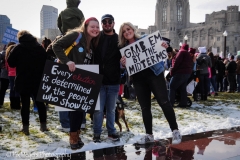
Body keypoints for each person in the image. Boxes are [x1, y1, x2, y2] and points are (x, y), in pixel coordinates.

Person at [119, 22, 181, 145]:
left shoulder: (145, 39)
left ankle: (175, 131)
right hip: (138, 80)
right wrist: (122, 63)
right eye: (124, 31)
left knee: (164, 102)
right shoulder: (123, 49)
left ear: (133, 29)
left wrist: (164, 45)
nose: (127, 32)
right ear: (122, 35)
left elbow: (165, 48)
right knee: (145, 107)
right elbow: (122, 67)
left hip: (155, 75)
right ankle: (149, 135)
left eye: (128, 29)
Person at [53, 17, 100, 150]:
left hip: (83, 79)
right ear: (85, 26)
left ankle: (77, 135)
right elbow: (56, 45)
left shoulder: (92, 42)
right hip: (71, 77)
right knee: (75, 110)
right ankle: (73, 138)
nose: (95, 29)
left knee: (80, 110)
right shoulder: (76, 35)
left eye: (97, 27)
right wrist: (67, 61)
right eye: (92, 26)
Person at [7, 30, 48, 135]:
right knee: (40, 103)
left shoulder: (18, 48)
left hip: (23, 80)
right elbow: (46, 61)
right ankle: (43, 126)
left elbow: (11, 63)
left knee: (25, 105)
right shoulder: (39, 48)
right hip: (37, 80)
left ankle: (25, 128)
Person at [56, 0, 85, 132]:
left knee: (63, 92)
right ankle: (82, 121)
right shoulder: (79, 12)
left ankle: (66, 123)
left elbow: (59, 25)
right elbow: (84, 25)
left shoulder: (62, 13)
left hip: (66, 46)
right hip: (78, 44)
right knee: (80, 91)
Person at [92, 14, 122, 143]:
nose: (107, 24)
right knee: (98, 110)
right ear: (102, 24)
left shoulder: (119, 39)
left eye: (110, 22)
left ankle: (111, 131)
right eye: (104, 22)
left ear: (114, 23)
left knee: (110, 110)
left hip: (114, 81)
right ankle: (97, 133)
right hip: (99, 80)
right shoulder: (96, 37)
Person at [169, 43, 193, 108]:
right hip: (187, 73)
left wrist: (172, 70)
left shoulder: (181, 52)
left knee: (172, 87)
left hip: (180, 72)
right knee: (183, 89)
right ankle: (183, 103)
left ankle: (170, 103)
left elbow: (177, 62)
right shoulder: (188, 54)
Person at [5, 43, 21, 110]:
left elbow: (6, 66)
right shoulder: (17, 56)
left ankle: (12, 105)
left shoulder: (7, 57)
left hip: (10, 74)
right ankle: (17, 105)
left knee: (12, 89)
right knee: (17, 89)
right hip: (16, 74)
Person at [0, 42, 15, 108]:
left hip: (4, 74)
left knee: (2, 90)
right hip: (13, 74)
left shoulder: (3, 53)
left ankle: (0, 103)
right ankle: (14, 103)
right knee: (13, 89)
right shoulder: (14, 54)